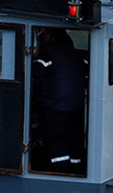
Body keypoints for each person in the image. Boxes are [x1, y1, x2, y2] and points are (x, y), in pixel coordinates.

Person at [32, 28, 87, 169]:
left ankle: (61, 170)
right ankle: (76, 168)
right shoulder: (76, 54)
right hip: (78, 105)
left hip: (56, 105)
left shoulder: (48, 54)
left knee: (56, 138)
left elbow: (35, 72)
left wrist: (36, 49)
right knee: (74, 138)